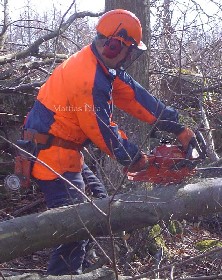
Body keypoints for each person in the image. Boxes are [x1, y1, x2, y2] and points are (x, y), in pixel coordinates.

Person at [24, 9, 198, 275]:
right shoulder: (89, 77)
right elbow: (102, 131)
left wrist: (179, 128)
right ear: (115, 44)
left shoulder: (103, 66)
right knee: (74, 230)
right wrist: (137, 160)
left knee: (99, 202)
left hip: (67, 152)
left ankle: (82, 269)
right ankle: (63, 274)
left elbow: (137, 99)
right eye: (129, 50)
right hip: (52, 157)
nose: (130, 56)